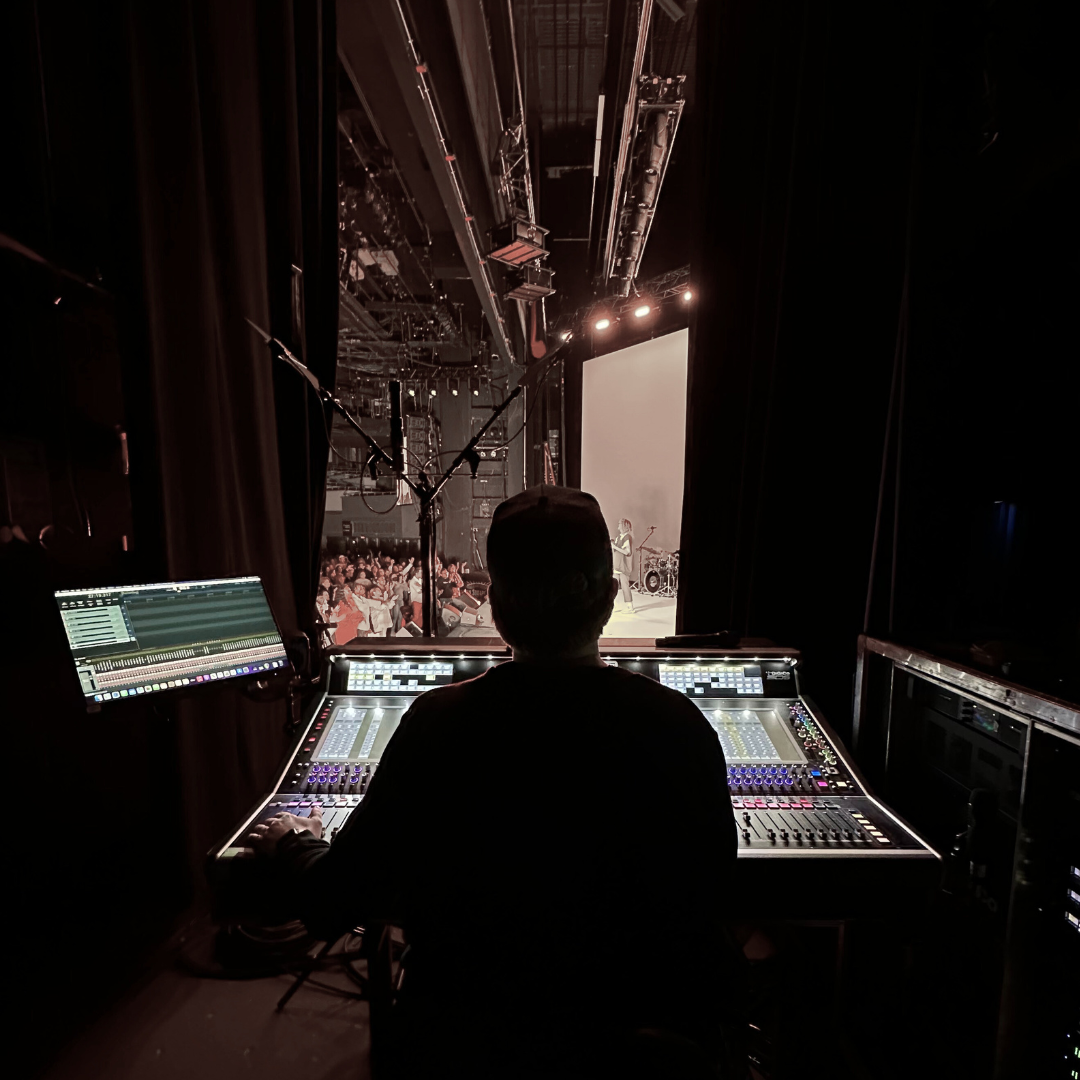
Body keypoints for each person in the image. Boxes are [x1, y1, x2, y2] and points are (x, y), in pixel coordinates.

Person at [251, 487, 746, 1078]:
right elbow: (716, 901)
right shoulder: (680, 730)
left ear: (499, 610)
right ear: (611, 599)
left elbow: (337, 899)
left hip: (469, 1049)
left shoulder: (437, 727)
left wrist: (295, 842)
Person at [612, 517, 635, 613]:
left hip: (623, 566)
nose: (618, 525)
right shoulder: (618, 537)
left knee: (625, 586)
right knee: (614, 586)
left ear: (624, 525)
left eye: (619, 523)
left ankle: (630, 607)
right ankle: (614, 606)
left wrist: (615, 547)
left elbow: (627, 552)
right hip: (617, 565)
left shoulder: (627, 537)